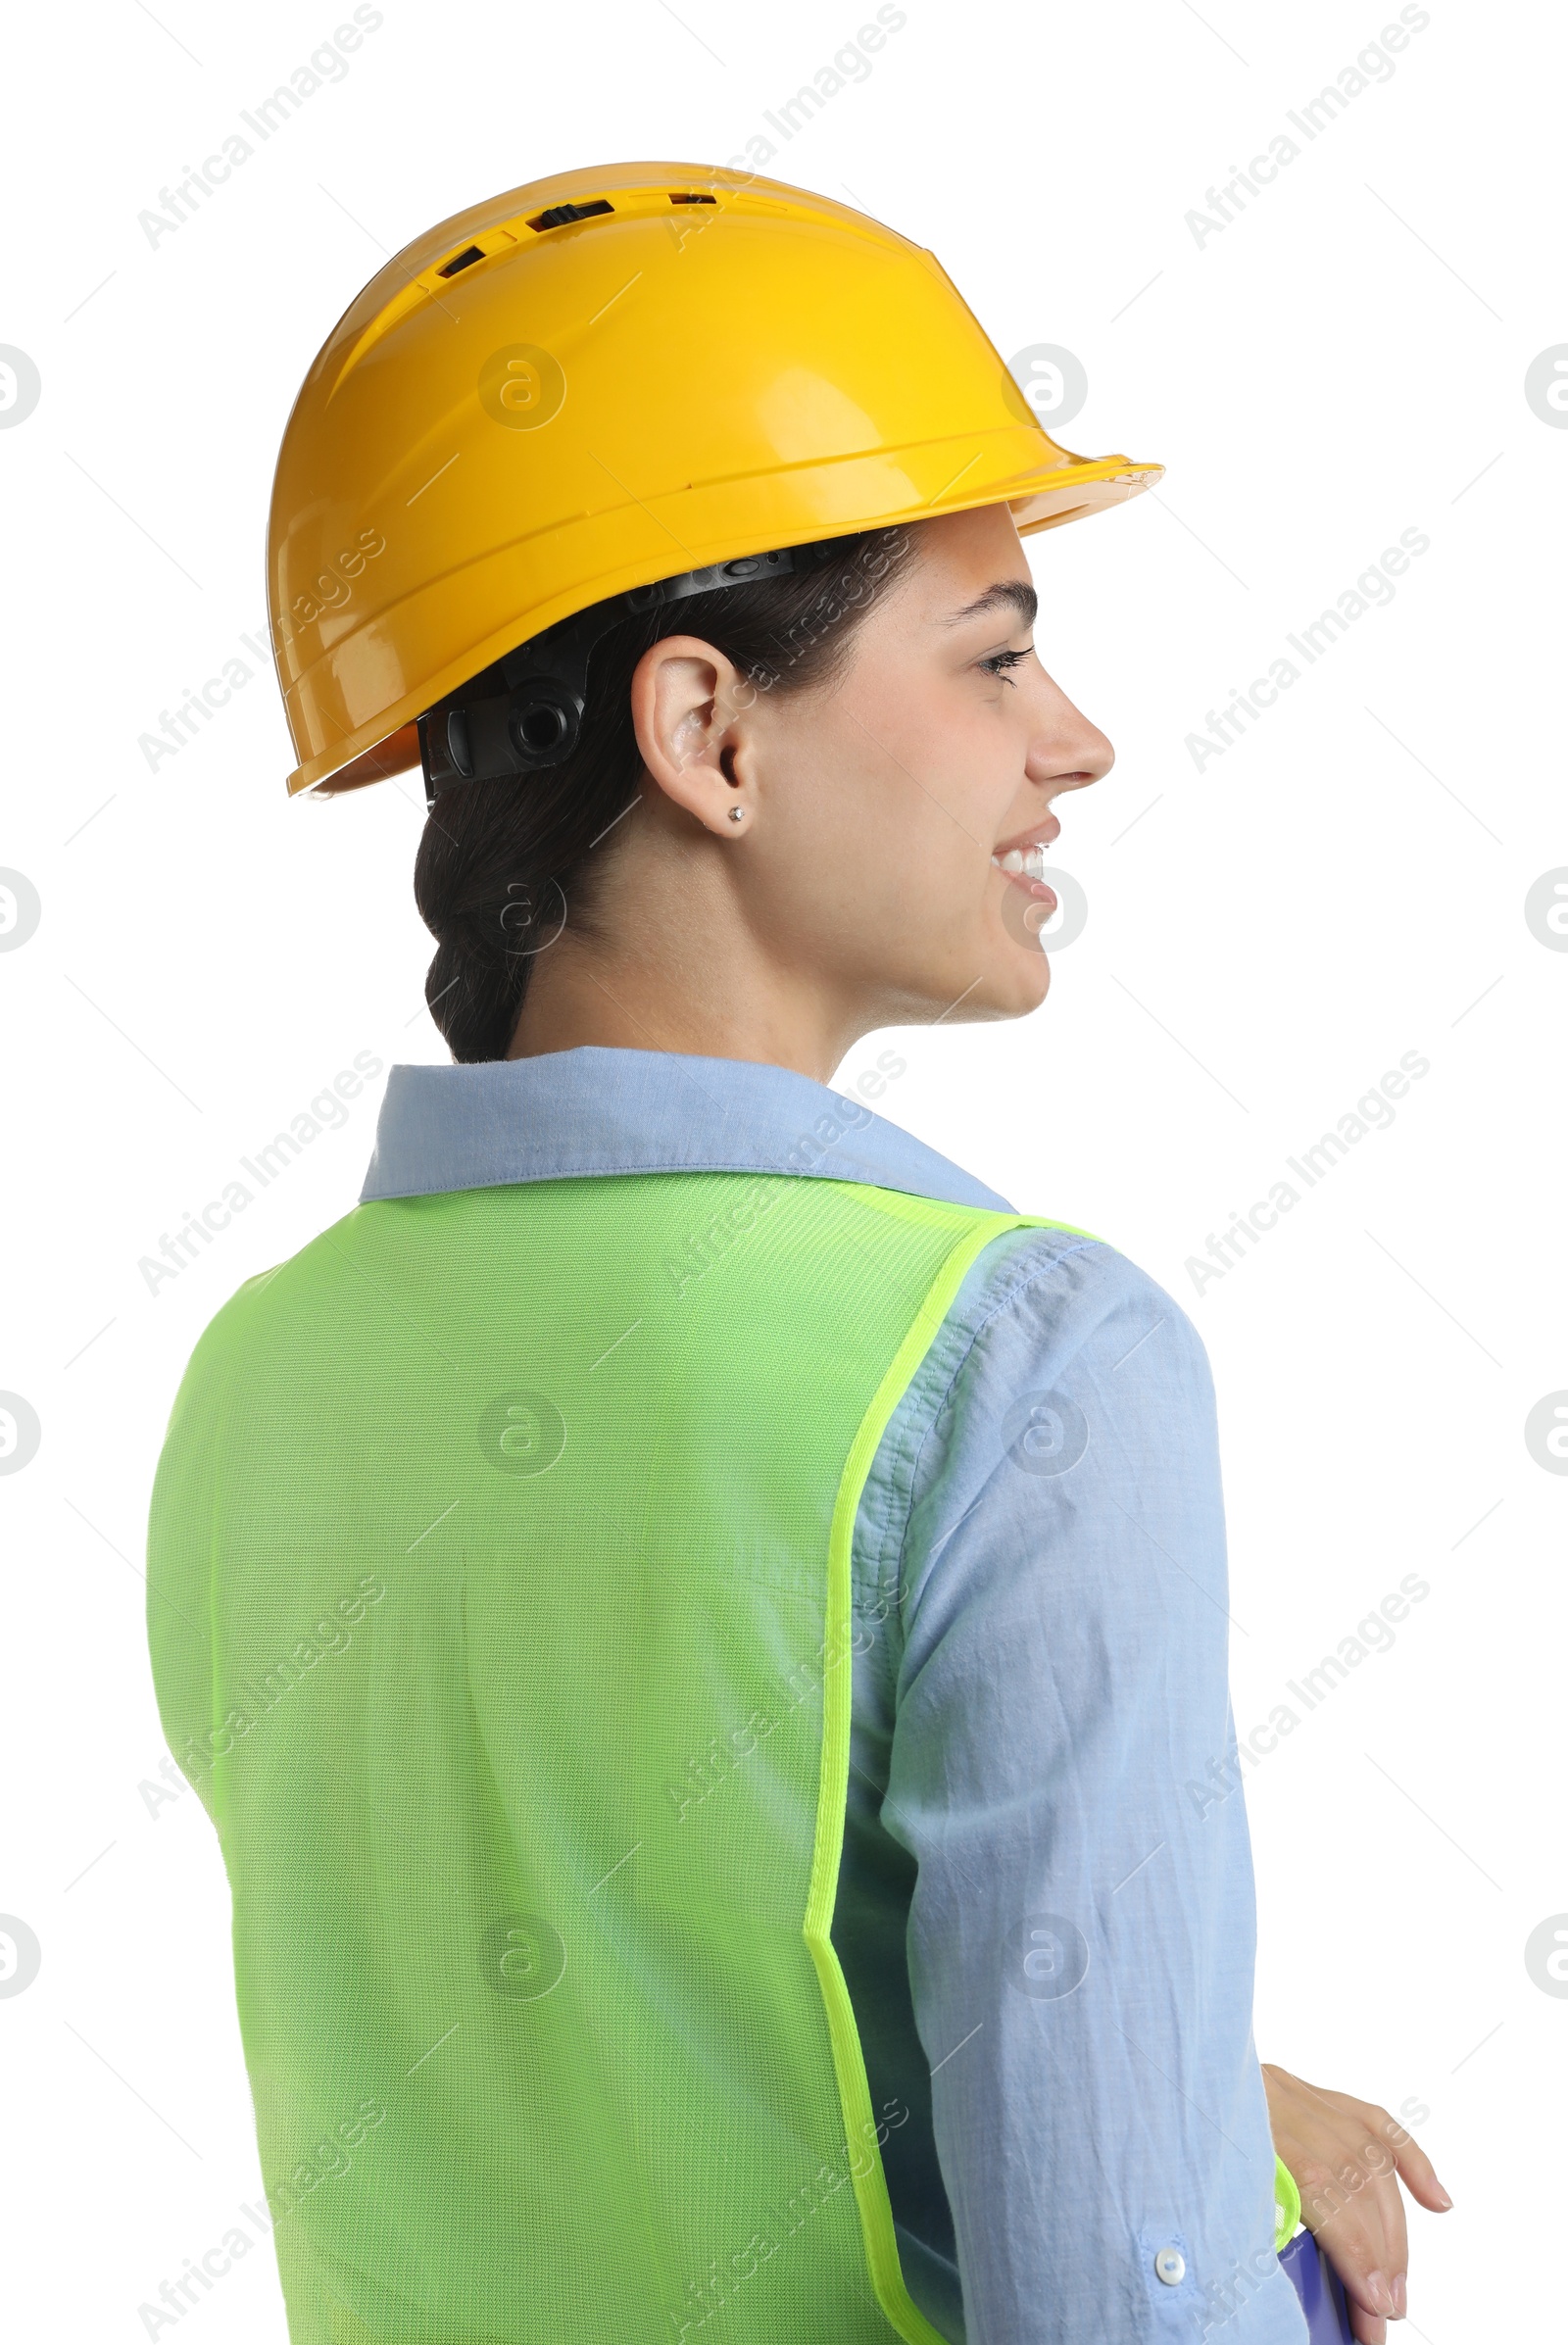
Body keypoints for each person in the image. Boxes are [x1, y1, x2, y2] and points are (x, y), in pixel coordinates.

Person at [146, 165, 1450, 2345]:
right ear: (707, 734)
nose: (1075, 740)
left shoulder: (262, 1383)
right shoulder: (1021, 1360)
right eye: (995, 653)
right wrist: (1236, 2236)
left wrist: (1171, 2108)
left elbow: (632, 2049)